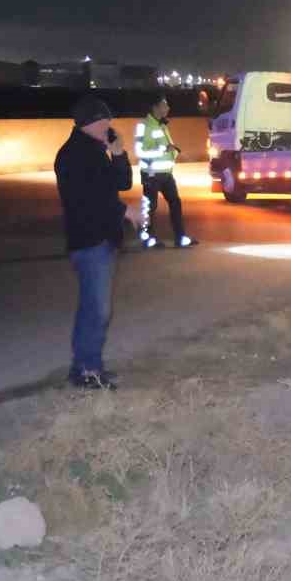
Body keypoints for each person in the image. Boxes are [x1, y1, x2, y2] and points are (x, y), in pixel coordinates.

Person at [54, 96, 133, 389]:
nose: (109, 127)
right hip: (89, 241)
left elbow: (121, 184)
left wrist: (119, 154)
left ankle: (87, 366)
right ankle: (86, 370)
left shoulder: (97, 151)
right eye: (105, 123)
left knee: (94, 307)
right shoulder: (73, 155)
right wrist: (126, 211)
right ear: (92, 122)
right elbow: (88, 199)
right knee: (97, 309)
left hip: (102, 239)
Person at [134, 94, 197, 248]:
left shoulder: (162, 125)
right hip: (151, 174)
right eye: (165, 105)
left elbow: (168, 147)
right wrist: (163, 149)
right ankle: (148, 239)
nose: (168, 108)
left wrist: (173, 153)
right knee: (150, 206)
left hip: (166, 174)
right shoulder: (144, 126)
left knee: (175, 203)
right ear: (155, 107)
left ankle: (180, 237)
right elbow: (139, 151)